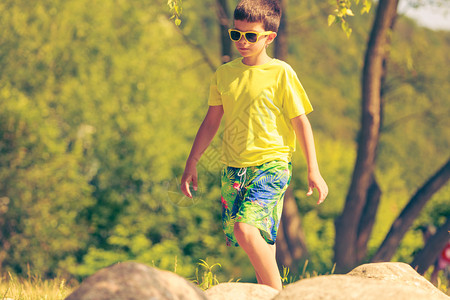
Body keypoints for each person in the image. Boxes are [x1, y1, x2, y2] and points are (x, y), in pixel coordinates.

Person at [180, 0, 328, 291]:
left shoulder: (282, 73)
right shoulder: (224, 74)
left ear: (269, 37)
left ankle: (284, 297)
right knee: (261, 245)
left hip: (272, 166)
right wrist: (192, 163)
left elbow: (301, 123)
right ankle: (271, 294)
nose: (242, 41)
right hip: (234, 170)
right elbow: (211, 122)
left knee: (245, 230)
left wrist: (314, 170)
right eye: (236, 34)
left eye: (251, 35)